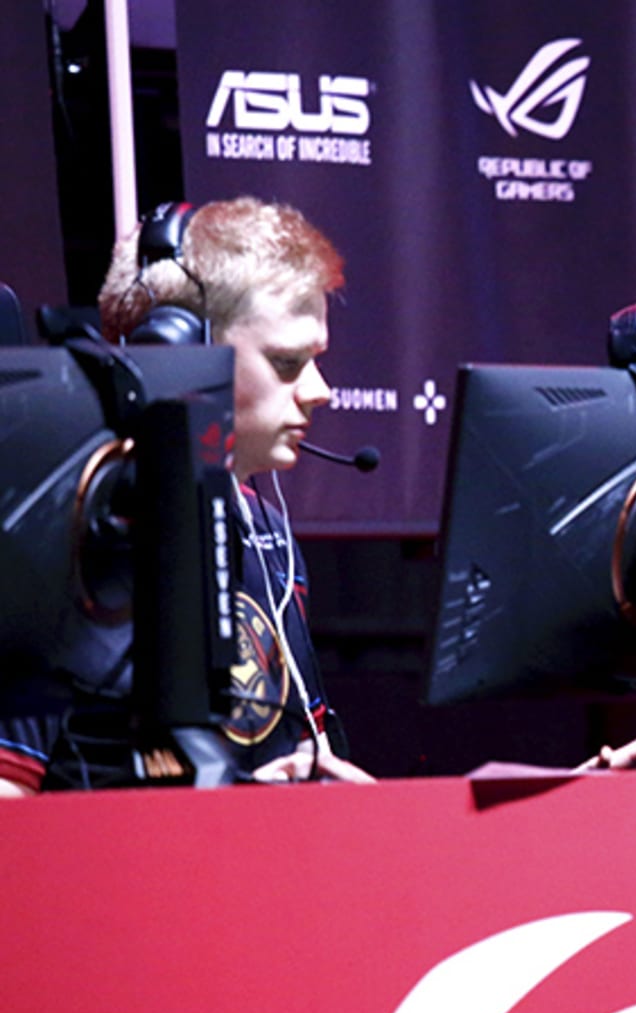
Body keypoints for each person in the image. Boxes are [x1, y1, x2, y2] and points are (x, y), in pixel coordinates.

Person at [0, 197, 372, 793]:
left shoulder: (268, 532)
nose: (320, 391)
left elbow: (303, 759)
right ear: (173, 350)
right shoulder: (58, 534)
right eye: (286, 362)